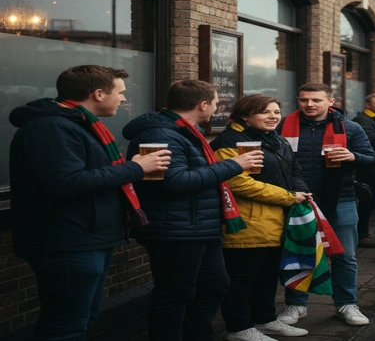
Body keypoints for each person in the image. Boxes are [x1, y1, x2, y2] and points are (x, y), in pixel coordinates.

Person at [9, 65, 171, 340]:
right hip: (68, 242)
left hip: (86, 239)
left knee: (81, 319)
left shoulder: (78, 125)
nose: (123, 99)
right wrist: (136, 168)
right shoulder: (51, 128)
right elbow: (66, 182)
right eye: (120, 93)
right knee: (63, 326)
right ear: (98, 93)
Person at [123, 80, 264, 341]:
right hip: (175, 228)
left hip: (199, 224)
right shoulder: (161, 134)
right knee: (175, 293)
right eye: (216, 101)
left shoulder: (186, 131)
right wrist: (234, 164)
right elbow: (175, 181)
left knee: (214, 286)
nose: (216, 107)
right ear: (202, 104)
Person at [210, 95, 312, 340]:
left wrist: (302, 191)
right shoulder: (230, 142)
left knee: (267, 276)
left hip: (277, 221)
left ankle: (266, 320)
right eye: (265, 112)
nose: (273, 116)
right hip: (247, 222)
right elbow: (239, 184)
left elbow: (294, 170)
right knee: (241, 279)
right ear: (245, 115)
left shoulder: (278, 140)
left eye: (276, 111)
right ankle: (239, 327)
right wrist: (289, 196)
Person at [276, 83, 375, 327]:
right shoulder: (282, 126)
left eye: (316, 100)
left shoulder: (350, 128)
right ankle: (296, 304)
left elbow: (371, 158)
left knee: (345, 256)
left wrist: (353, 156)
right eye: (304, 100)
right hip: (297, 199)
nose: (309, 104)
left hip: (340, 199)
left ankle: (347, 304)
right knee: (298, 253)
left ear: (330, 101)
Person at [351, 93, 375, 249]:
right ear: (368, 105)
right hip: (368, 169)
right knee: (368, 202)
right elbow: (374, 141)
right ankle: (362, 235)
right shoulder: (361, 121)